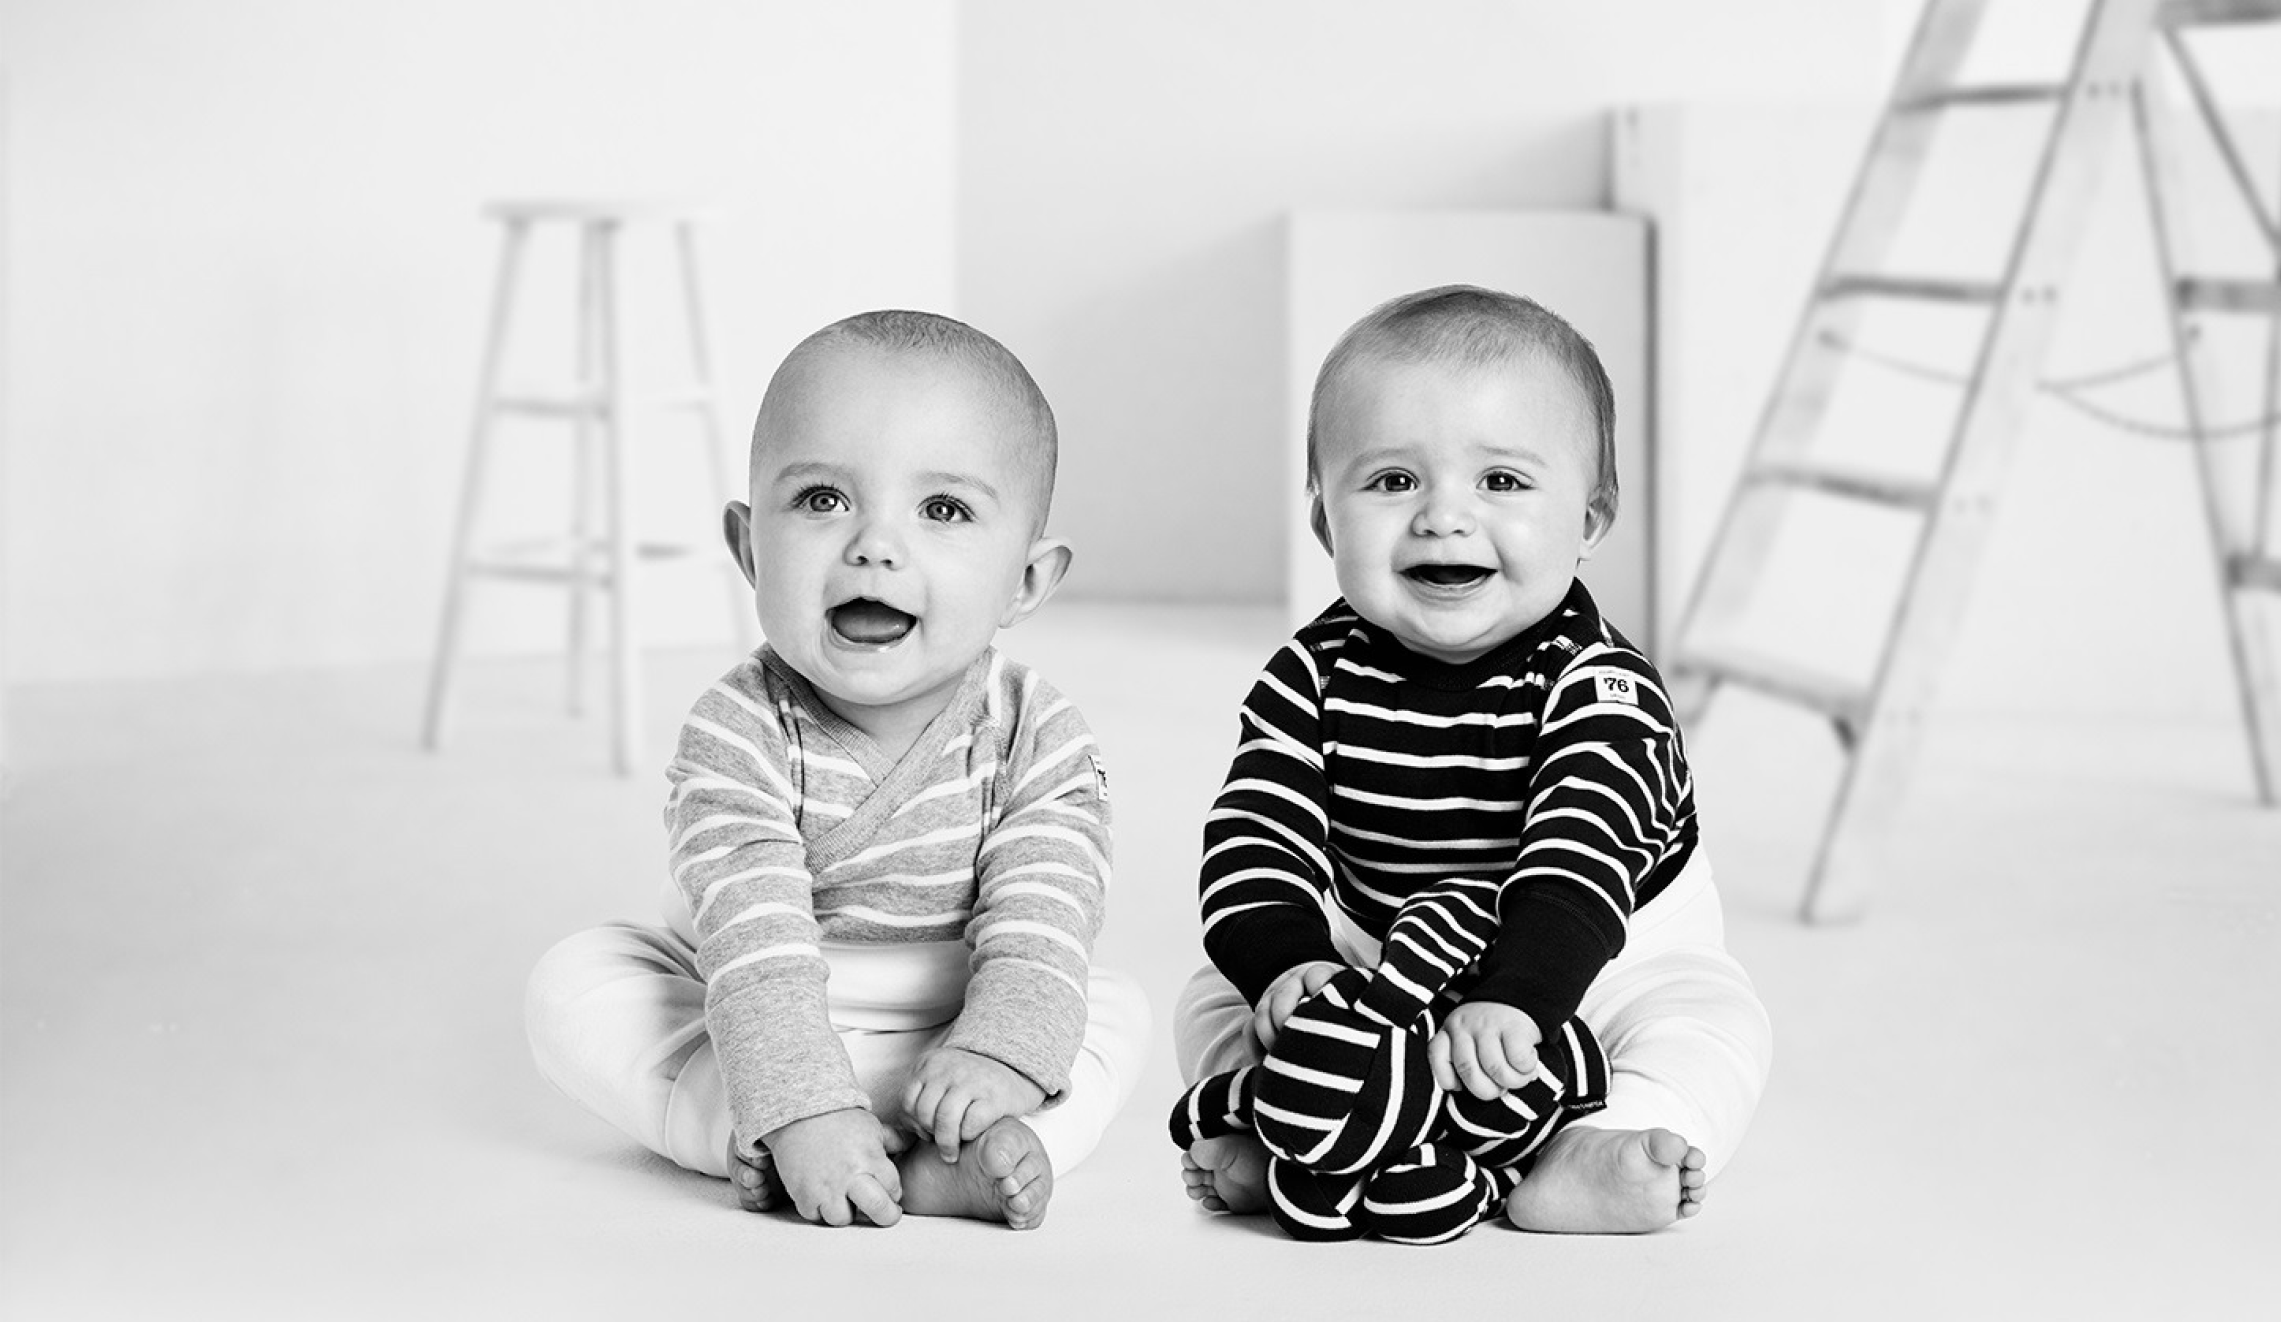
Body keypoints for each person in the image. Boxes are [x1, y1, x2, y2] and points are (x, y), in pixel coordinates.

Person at [526, 310, 1149, 1232]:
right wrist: (800, 1100)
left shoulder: (1035, 733)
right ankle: (767, 1133)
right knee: (573, 987)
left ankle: (989, 1147)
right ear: (748, 548)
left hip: (959, 1012)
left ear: (1025, 581)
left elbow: (1042, 917)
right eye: (822, 499)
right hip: (753, 1001)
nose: (873, 544)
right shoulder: (737, 729)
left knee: (1108, 1010)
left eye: (943, 510)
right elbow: (752, 934)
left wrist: (1003, 1055)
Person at [1173, 285, 1772, 1234]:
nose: (1443, 518)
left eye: (1502, 482)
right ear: (1326, 520)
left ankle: (1605, 1140)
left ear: (1592, 516)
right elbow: (1256, 832)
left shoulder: (1600, 685)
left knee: (1710, 1025)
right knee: (1213, 995)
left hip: (1600, 958)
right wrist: (1286, 967)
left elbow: (1580, 864)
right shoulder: (1308, 675)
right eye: (1392, 482)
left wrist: (1521, 998)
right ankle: (1290, 1121)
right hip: (1386, 958)